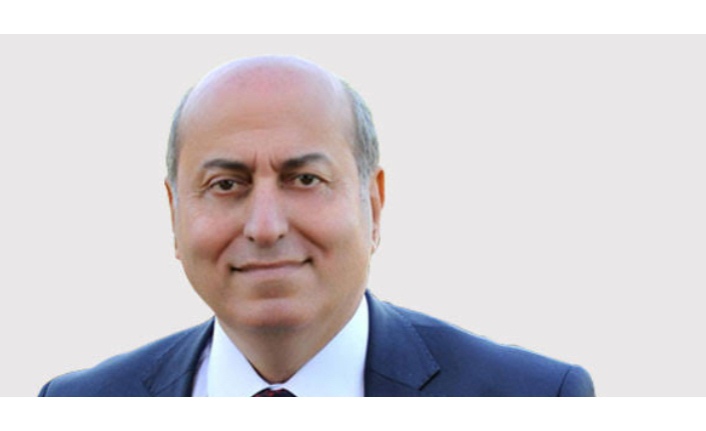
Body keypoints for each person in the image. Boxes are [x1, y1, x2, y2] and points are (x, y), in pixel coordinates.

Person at [39, 55, 594, 397]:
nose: (264, 227)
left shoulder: (533, 401)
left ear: (373, 204)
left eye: (304, 179)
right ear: (174, 213)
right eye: (226, 184)